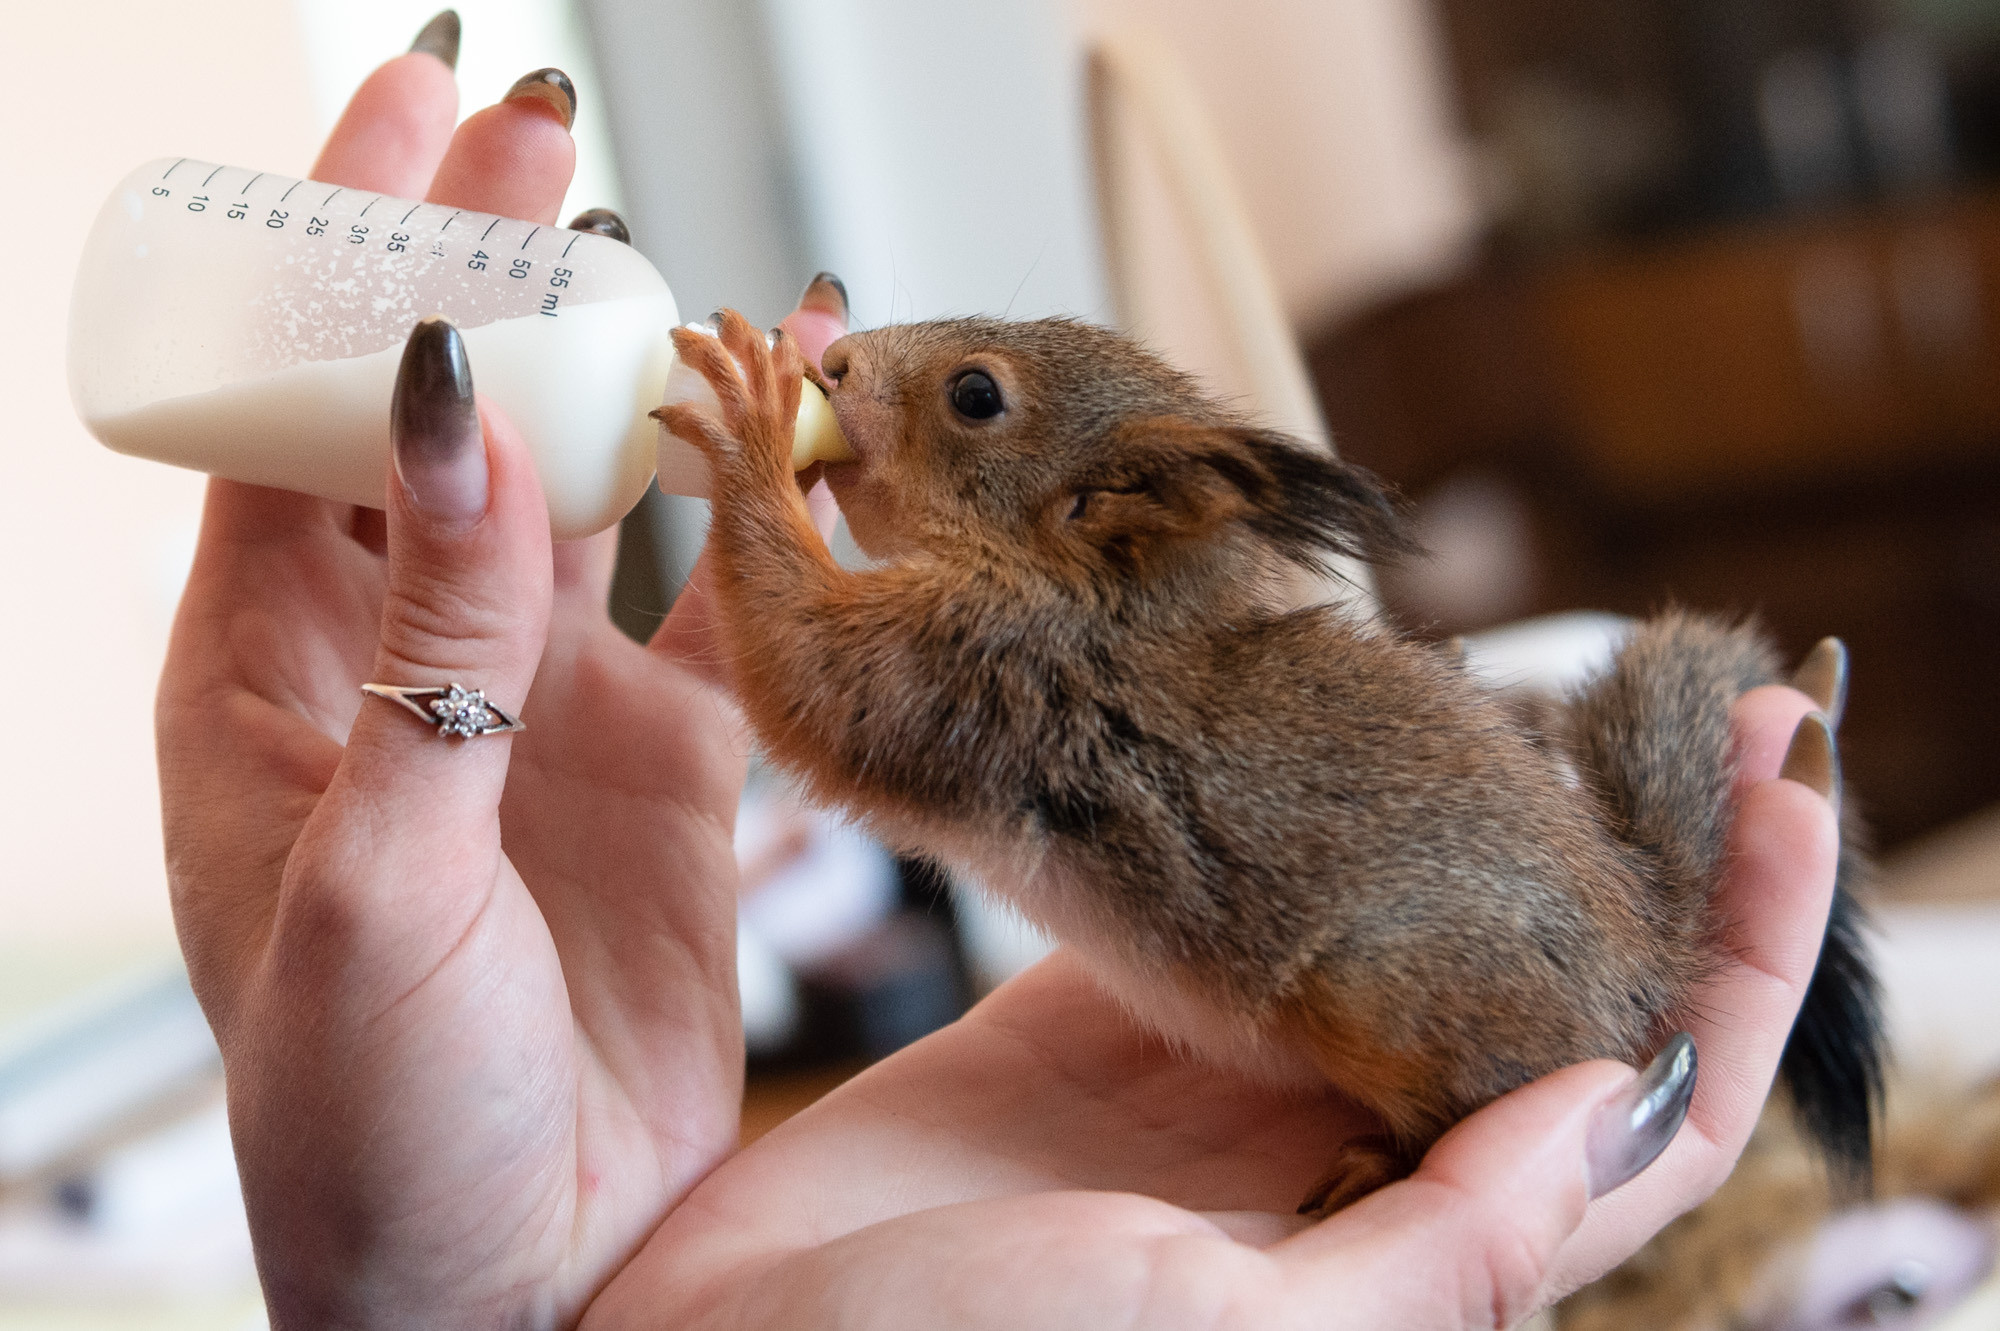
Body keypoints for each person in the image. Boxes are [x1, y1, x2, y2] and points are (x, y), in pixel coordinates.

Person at [155, 18, 1846, 1329]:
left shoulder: (1027, 629)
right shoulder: (1033, 630)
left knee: (1381, 976)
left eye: (969, 405)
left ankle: (1435, 1113)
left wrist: (756, 483)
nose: (863, 379)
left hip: (1445, 974)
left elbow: (828, 716)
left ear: (1099, 512)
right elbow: (830, 701)